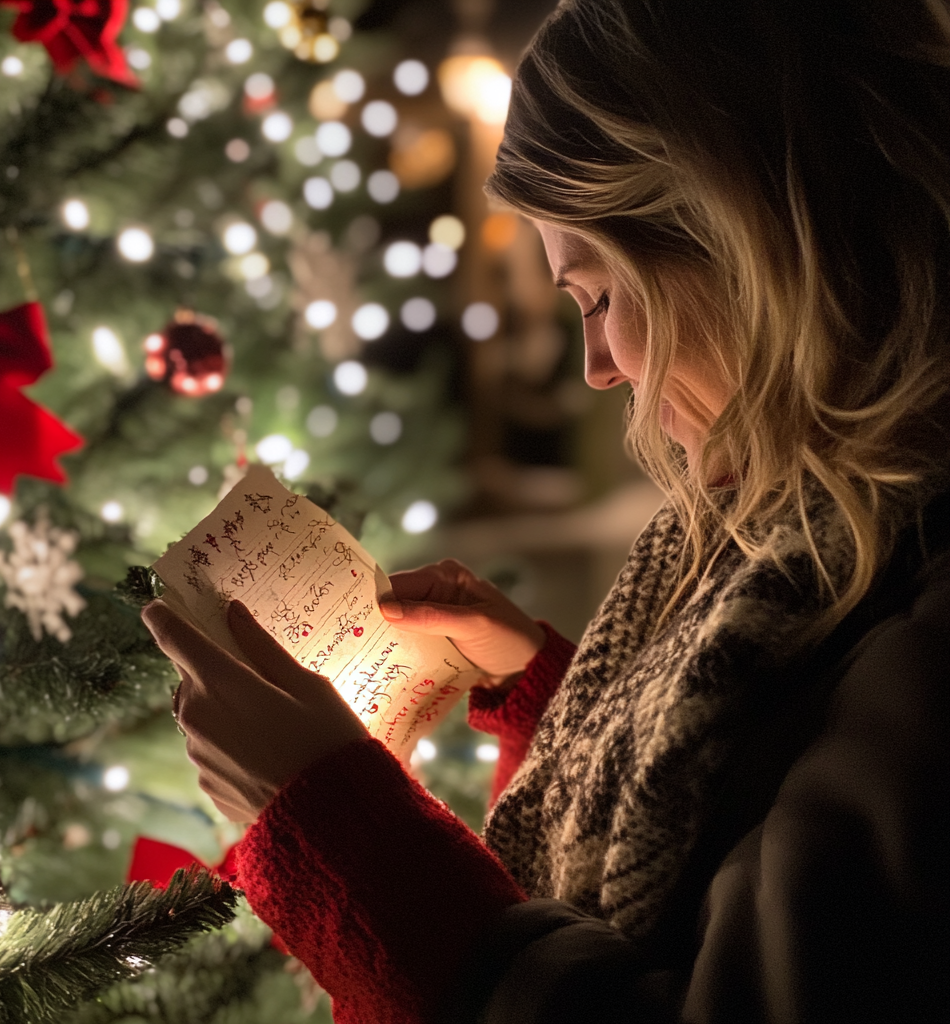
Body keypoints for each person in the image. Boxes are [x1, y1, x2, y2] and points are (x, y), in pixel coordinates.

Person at [141, 0, 950, 1020]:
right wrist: (549, 694)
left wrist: (337, 830)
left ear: (745, 245)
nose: (597, 366)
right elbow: (745, 822)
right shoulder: (830, 537)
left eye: (597, 295)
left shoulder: (922, 639)